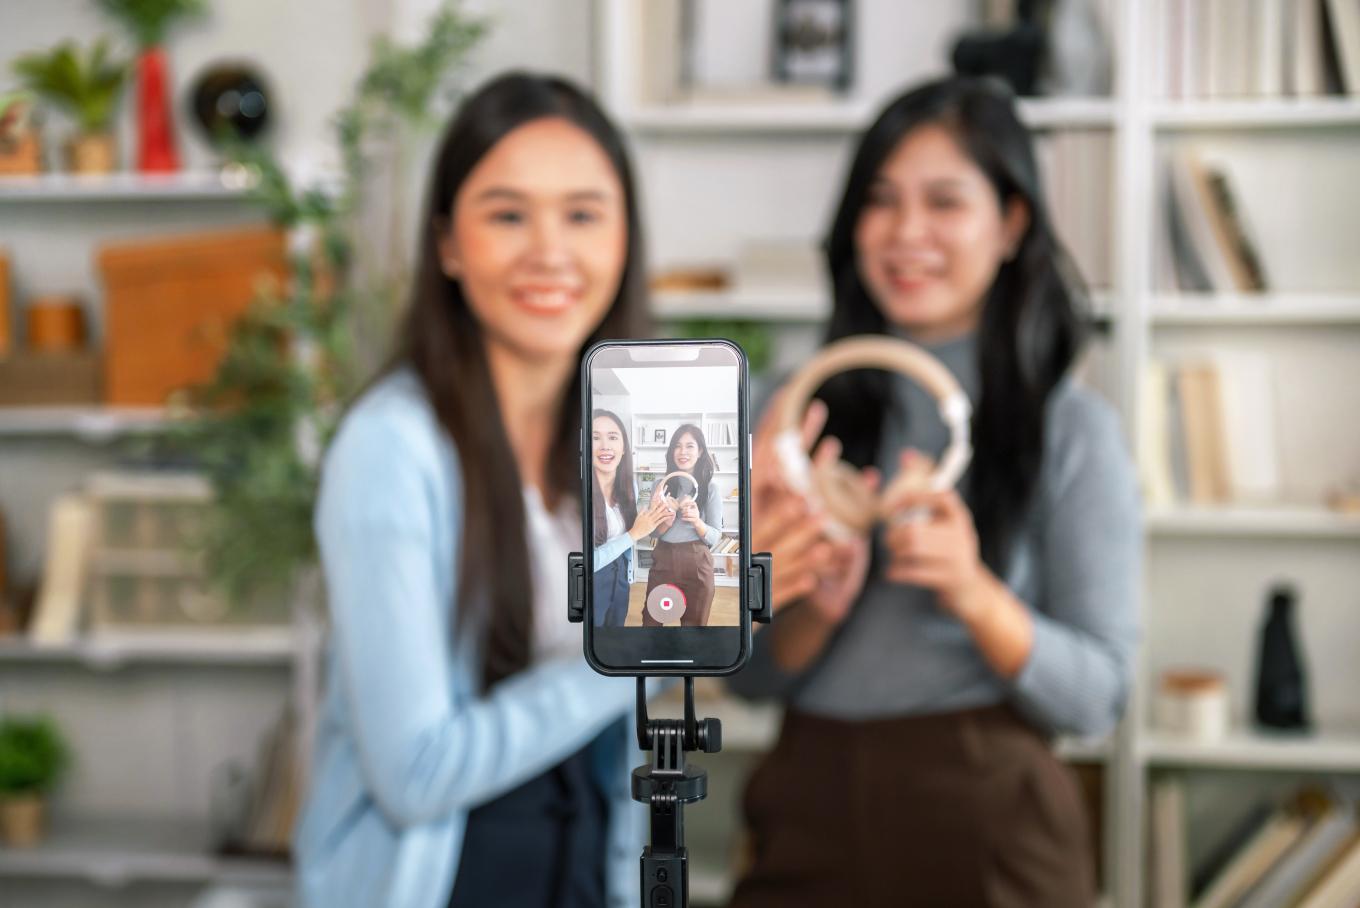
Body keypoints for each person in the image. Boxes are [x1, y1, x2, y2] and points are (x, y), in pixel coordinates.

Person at [731, 76, 1141, 907]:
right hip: (807, 802)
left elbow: (1098, 698)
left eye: (945, 201)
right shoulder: (784, 418)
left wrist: (971, 590)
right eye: (880, 201)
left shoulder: (1070, 430)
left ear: (1011, 222)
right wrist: (811, 601)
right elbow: (747, 682)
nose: (906, 233)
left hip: (993, 823)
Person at [293, 72, 654, 908]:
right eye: (506, 214)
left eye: (583, 214)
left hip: (584, 864)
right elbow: (415, 773)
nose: (550, 251)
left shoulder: (626, 436)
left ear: (626, 238)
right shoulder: (391, 450)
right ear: (448, 245)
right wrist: (638, 649)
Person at [591, 408, 671, 627]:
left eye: (613, 437)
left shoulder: (629, 488)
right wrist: (633, 534)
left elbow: (636, 533)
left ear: (624, 447)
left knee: (614, 641)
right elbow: (586, 562)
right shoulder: (577, 494)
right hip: (592, 583)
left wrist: (657, 515)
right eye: (595, 437)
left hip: (620, 581)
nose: (605, 445)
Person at [643, 424, 724, 627]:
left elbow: (714, 538)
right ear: (671, 452)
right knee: (651, 622)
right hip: (663, 560)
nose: (683, 452)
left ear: (700, 451)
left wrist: (697, 521)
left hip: (697, 562)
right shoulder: (660, 486)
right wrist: (665, 522)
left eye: (689, 446)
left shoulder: (711, 489)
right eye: (677, 446)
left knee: (694, 627)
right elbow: (651, 532)